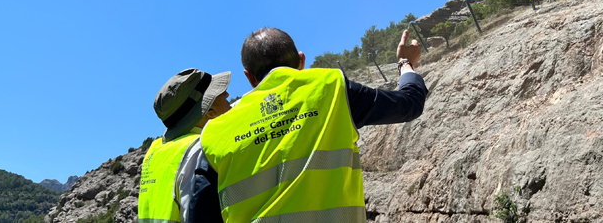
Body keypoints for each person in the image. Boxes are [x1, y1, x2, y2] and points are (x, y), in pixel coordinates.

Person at [176, 28, 427, 223]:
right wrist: (406, 64)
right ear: (301, 60)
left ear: (249, 77)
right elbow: (408, 104)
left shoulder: (214, 133)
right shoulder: (331, 86)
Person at [138, 68, 232, 223]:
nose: (227, 95)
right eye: (220, 92)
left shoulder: (155, 151)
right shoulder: (200, 150)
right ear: (210, 110)